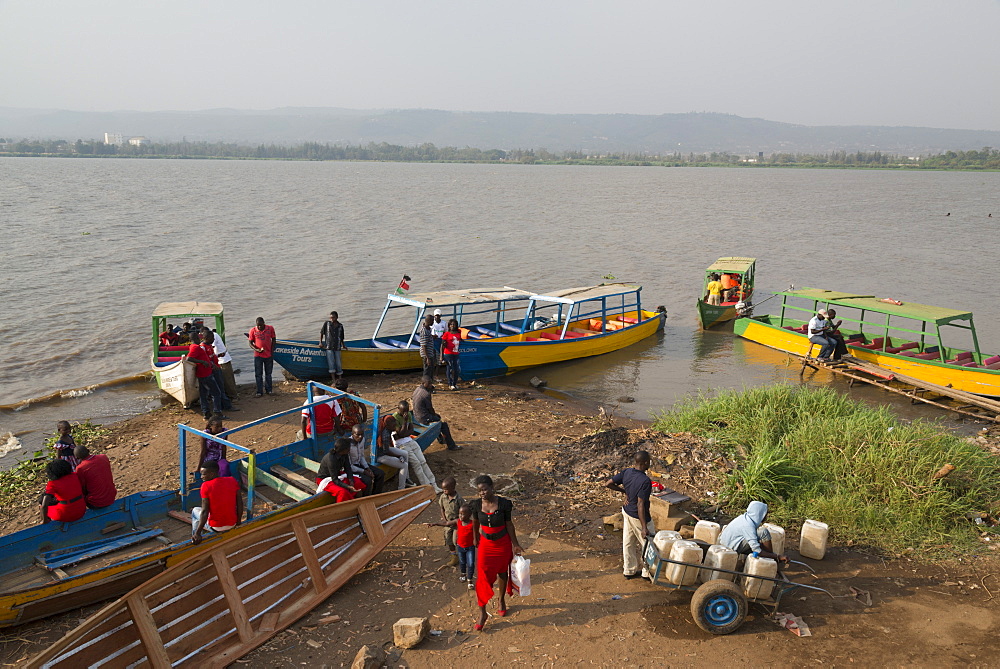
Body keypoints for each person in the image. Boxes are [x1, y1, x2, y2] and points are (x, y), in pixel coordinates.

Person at [471, 474, 522, 631]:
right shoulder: (475, 505)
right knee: (482, 578)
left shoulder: (504, 504)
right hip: (486, 545)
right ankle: (482, 613)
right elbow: (475, 522)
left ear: (492, 488)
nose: (482, 493)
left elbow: (509, 524)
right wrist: (475, 539)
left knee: (502, 572)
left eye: (485, 490)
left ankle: (501, 600)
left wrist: (516, 544)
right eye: (480, 491)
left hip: (503, 544)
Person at [606, 450, 656, 580]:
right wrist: (644, 527)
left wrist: (625, 492)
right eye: (649, 461)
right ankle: (647, 572)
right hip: (637, 516)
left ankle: (629, 570)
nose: (650, 462)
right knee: (649, 545)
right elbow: (641, 505)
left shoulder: (627, 472)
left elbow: (608, 483)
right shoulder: (645, 481)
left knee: (628, 541)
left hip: (626, 511)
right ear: (645, 463)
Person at [390, 401, 441, 493]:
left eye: (407, 410)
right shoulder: (394, 418)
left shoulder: (409, 414)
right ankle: (427, 487)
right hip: (401, 445)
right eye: (403, 411)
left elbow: (410, 431)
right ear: (399, 409)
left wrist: (404, 433)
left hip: (410, 441)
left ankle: (434, 484)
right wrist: (405, 423)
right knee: (416, 464)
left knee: (423, 462)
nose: (405, 413)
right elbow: (400, 434)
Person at [718, 501, 788, 565]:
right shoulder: (748, 525)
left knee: (759, 537)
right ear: (759, 514)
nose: (766, 516)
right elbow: (757, 550)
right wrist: (777, 556)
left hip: (727, 542)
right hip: (730, 548)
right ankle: (771, 560)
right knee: (763, 532)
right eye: (765, 514)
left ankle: (770, 557)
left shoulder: (744, 518)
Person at [192, 460, 243, 544]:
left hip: (216, 527)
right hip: (232, 523)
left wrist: (198, 532)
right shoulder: (232, 480)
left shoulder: (205, 486)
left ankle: (195, 537)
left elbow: (205, 511)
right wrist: (238, 521)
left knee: (195, 511)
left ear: (212, 474)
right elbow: (240, 503)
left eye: (203, 474)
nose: (201, 477)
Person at [427, 501, 476, 587]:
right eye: (459, 514)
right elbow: (446, 523)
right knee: (462, 562)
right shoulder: (458, 522)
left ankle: (470, 579)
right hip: (460, 547)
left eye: (463, 514)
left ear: (469, 515)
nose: (460, 516)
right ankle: (463, 574)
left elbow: (478, 533)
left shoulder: (473, 524)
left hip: (470, 547)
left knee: (471, 563)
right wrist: (435, 523)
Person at [412, 376, 461, 451]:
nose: (430, 385)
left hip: (416, 415)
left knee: (437, 420)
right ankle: (451, 445)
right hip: (423, 418)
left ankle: (441, 439)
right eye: (428, 384)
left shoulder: (417, 389)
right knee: (443, 424)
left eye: (431, 383)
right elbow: (430, 409)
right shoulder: (426, 394)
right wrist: (435, 415)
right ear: (423, 383)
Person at [315, 437, 366, 503]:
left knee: (357, 482)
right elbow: (335, 479)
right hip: (325, 479)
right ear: (343, 450)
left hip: (337, 475)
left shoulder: (345, 454)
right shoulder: (331, 459)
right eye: (348, 448)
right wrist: (348, 486)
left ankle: (355, 500)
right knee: (342, 492)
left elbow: (348, 468)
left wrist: (351, 481)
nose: (350, 449)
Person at [39, 459, 86, 525]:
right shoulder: (75, 475)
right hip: (81, 509)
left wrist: (44, 520)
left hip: (65, 514)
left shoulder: (52, 484)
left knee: (41, 505)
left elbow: (44, 505)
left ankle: (45, 521)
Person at [186, 335, 224, 418]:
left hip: (203, 373)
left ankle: (206, 413)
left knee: (203, 394)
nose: (199, 339)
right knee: (216, 393)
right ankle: (217, 413)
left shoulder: (195, 347)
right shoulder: (195, 347)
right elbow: (189, 358)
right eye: (197, 338)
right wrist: (202, 362)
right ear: (193, 339)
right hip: (205, 373)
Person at [201, 329, 236, 413]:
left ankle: (228, 402)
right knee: (217, 390)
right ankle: (220, 408)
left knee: (223, 385)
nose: (213, 339)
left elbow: (211, 355)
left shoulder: (209, 344)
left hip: (219, 364)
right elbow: (206, 358)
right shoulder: (204, 346)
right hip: (212, 369)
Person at [73, 445, 117, 509]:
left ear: (77, 458)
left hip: (96, 503)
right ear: (88, 451)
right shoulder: (103, 457)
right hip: (112, 496)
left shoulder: (80, 468)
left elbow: (83, 488)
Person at [375, 412, 410, 490]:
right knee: (404, 465)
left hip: (385, 449)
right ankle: (401, 488)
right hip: (381, 456)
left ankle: (406, 479)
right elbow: (386, 451)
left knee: (405, 453)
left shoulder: (387, 428)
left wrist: (400, 455)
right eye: (393, 425)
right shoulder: (385, 434)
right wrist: (398, 456)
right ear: (388, 426)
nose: (395, 426)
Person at [348, 424, 384, 496]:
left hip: (359, 464)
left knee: (380, 473)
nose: (360, 437)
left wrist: (367, 468)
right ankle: (365, 498)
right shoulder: (348, 445)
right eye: (358, 435)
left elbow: (361, 456)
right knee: (368, 480)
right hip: (351, 468)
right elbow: (349, 466)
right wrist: (364, 471)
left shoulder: (362, 440)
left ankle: (375, 495)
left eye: (362, 434)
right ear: (352, 434)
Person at [436, 476, 464, 566]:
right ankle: (454, 556)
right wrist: (444, 521)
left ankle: (462, 555)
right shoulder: (443, 497)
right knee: (449, 540)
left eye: (446, 489)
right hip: (447, 524)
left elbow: (465, 511)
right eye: (443, 489)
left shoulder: (459, 499)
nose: (444, 491)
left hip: (457, 524)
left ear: (453, 488)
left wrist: (459, 521)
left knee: (456, 540)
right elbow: (442, 509)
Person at [248, 316, 276, 396]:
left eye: (261, 325)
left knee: (268, 374)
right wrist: (257, 350)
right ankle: (259, 391)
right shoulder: (253, 330)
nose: (259, 327)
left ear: (264, 323)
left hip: (268, 355)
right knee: (258, 374)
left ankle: (269, 390)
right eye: (258, 325)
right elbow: (250, 343)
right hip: (258, 356)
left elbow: (273, 339)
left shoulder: (270, 328)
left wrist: (272, 350)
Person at [209, 328, 239, 402]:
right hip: (220, 359)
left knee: (228, 379)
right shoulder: (214, 335)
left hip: (223, 360)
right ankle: (230, 395)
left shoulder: (214, 336)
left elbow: (211, 347)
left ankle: (234, 396)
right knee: (225, 379)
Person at [320, 311, 346, 380]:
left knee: (338, 363)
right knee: (331, 363)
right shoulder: (327, 324)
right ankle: (334, 380)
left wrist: (343, 345)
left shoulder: (340, 326)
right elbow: (322, 333)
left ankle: (340, 378)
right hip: (329, 346)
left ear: (337, 317)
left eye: (333, 317)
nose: (331, 319)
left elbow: (341, 337)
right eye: (331, 318)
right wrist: (320, 342)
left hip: (337, 347)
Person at [441, 318, 463, 390]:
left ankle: (455, 383)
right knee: (450, 368)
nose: (452, 326)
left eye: (454, 324)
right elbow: (442, 345)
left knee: (457, 369)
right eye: (451, 325)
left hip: (456, 353)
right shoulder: (446, 334)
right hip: (448, 353)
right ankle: (450, 384)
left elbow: (460, 340)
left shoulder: (458, 332)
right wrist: (441, 356)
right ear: (449, 326)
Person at [419, 314, 437, 380]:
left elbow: (428, 338)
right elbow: (424, 346)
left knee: (431, 369)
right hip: (426, 354)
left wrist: (432, 336)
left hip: (430, 352)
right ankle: (425, 383)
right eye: (432, 321)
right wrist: (427, 358)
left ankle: (430, 382)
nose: (433, 322)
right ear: (428, 321)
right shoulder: (424, 331)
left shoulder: (428, 329)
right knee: (427, 370)